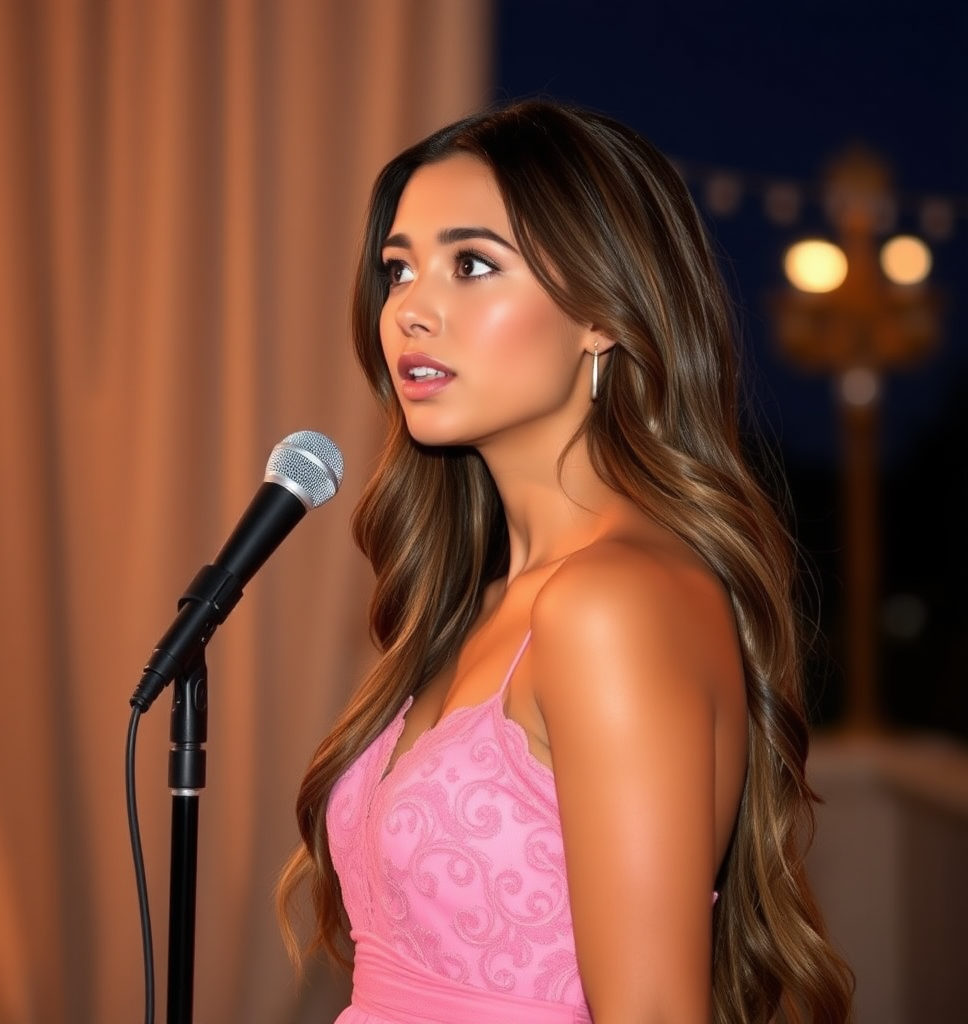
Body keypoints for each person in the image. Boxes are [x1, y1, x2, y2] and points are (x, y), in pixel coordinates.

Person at [277, 99, 853, 1024]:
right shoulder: (480, 604)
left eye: (471, 264)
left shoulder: (611, 603)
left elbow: (655, 1011)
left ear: (600, 313)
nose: (410, 310)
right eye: (398, 269)